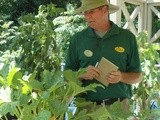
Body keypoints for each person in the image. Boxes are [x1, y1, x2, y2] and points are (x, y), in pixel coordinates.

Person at [65, 0, 142, 111]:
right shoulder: (77, 39)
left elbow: (138, 76)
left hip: (120, 108)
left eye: (91, 11)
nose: (87, 17)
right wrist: (81, 74)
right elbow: (67, 76)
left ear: (105, 10)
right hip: (86, 109)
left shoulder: (127, 37)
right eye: (85, 13)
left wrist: (121, 76)